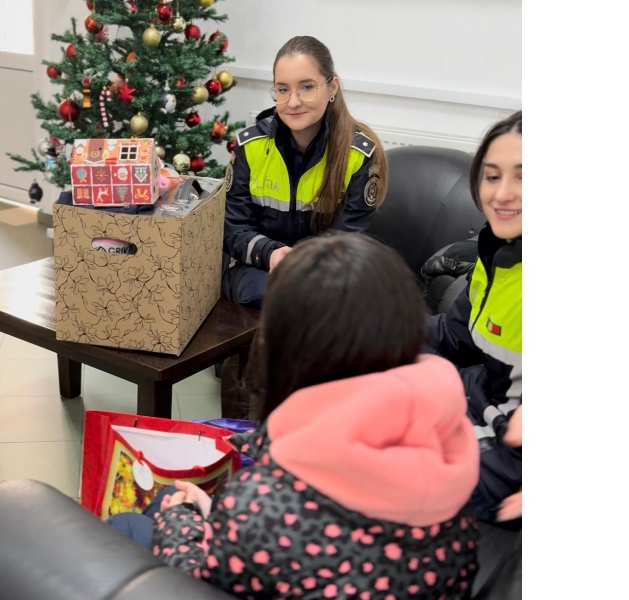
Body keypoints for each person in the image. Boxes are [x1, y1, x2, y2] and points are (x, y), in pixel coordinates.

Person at [112, 233, 481, 599]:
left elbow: (200, 573)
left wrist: (182, 518)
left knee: (132, 522)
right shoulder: (451, 450)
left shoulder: (262, 502)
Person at [221, 36, 388, 309]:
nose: (293, 102)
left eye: (307, 87)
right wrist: (272, 253)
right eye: (282, 89)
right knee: (267, 294)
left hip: (327, 272)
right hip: (261, 269)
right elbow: (233, 229)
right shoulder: (250, 147)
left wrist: (299, 263)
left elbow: (346, 239)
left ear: (332, 87)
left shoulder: (359, 155)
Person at [426, 111, 522, 526]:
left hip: (507, 454)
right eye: (492, 176)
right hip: (481, 402)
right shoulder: (498, 252)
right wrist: (378, 323)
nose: (502, 194)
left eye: (524, 178)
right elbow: (456, 335)